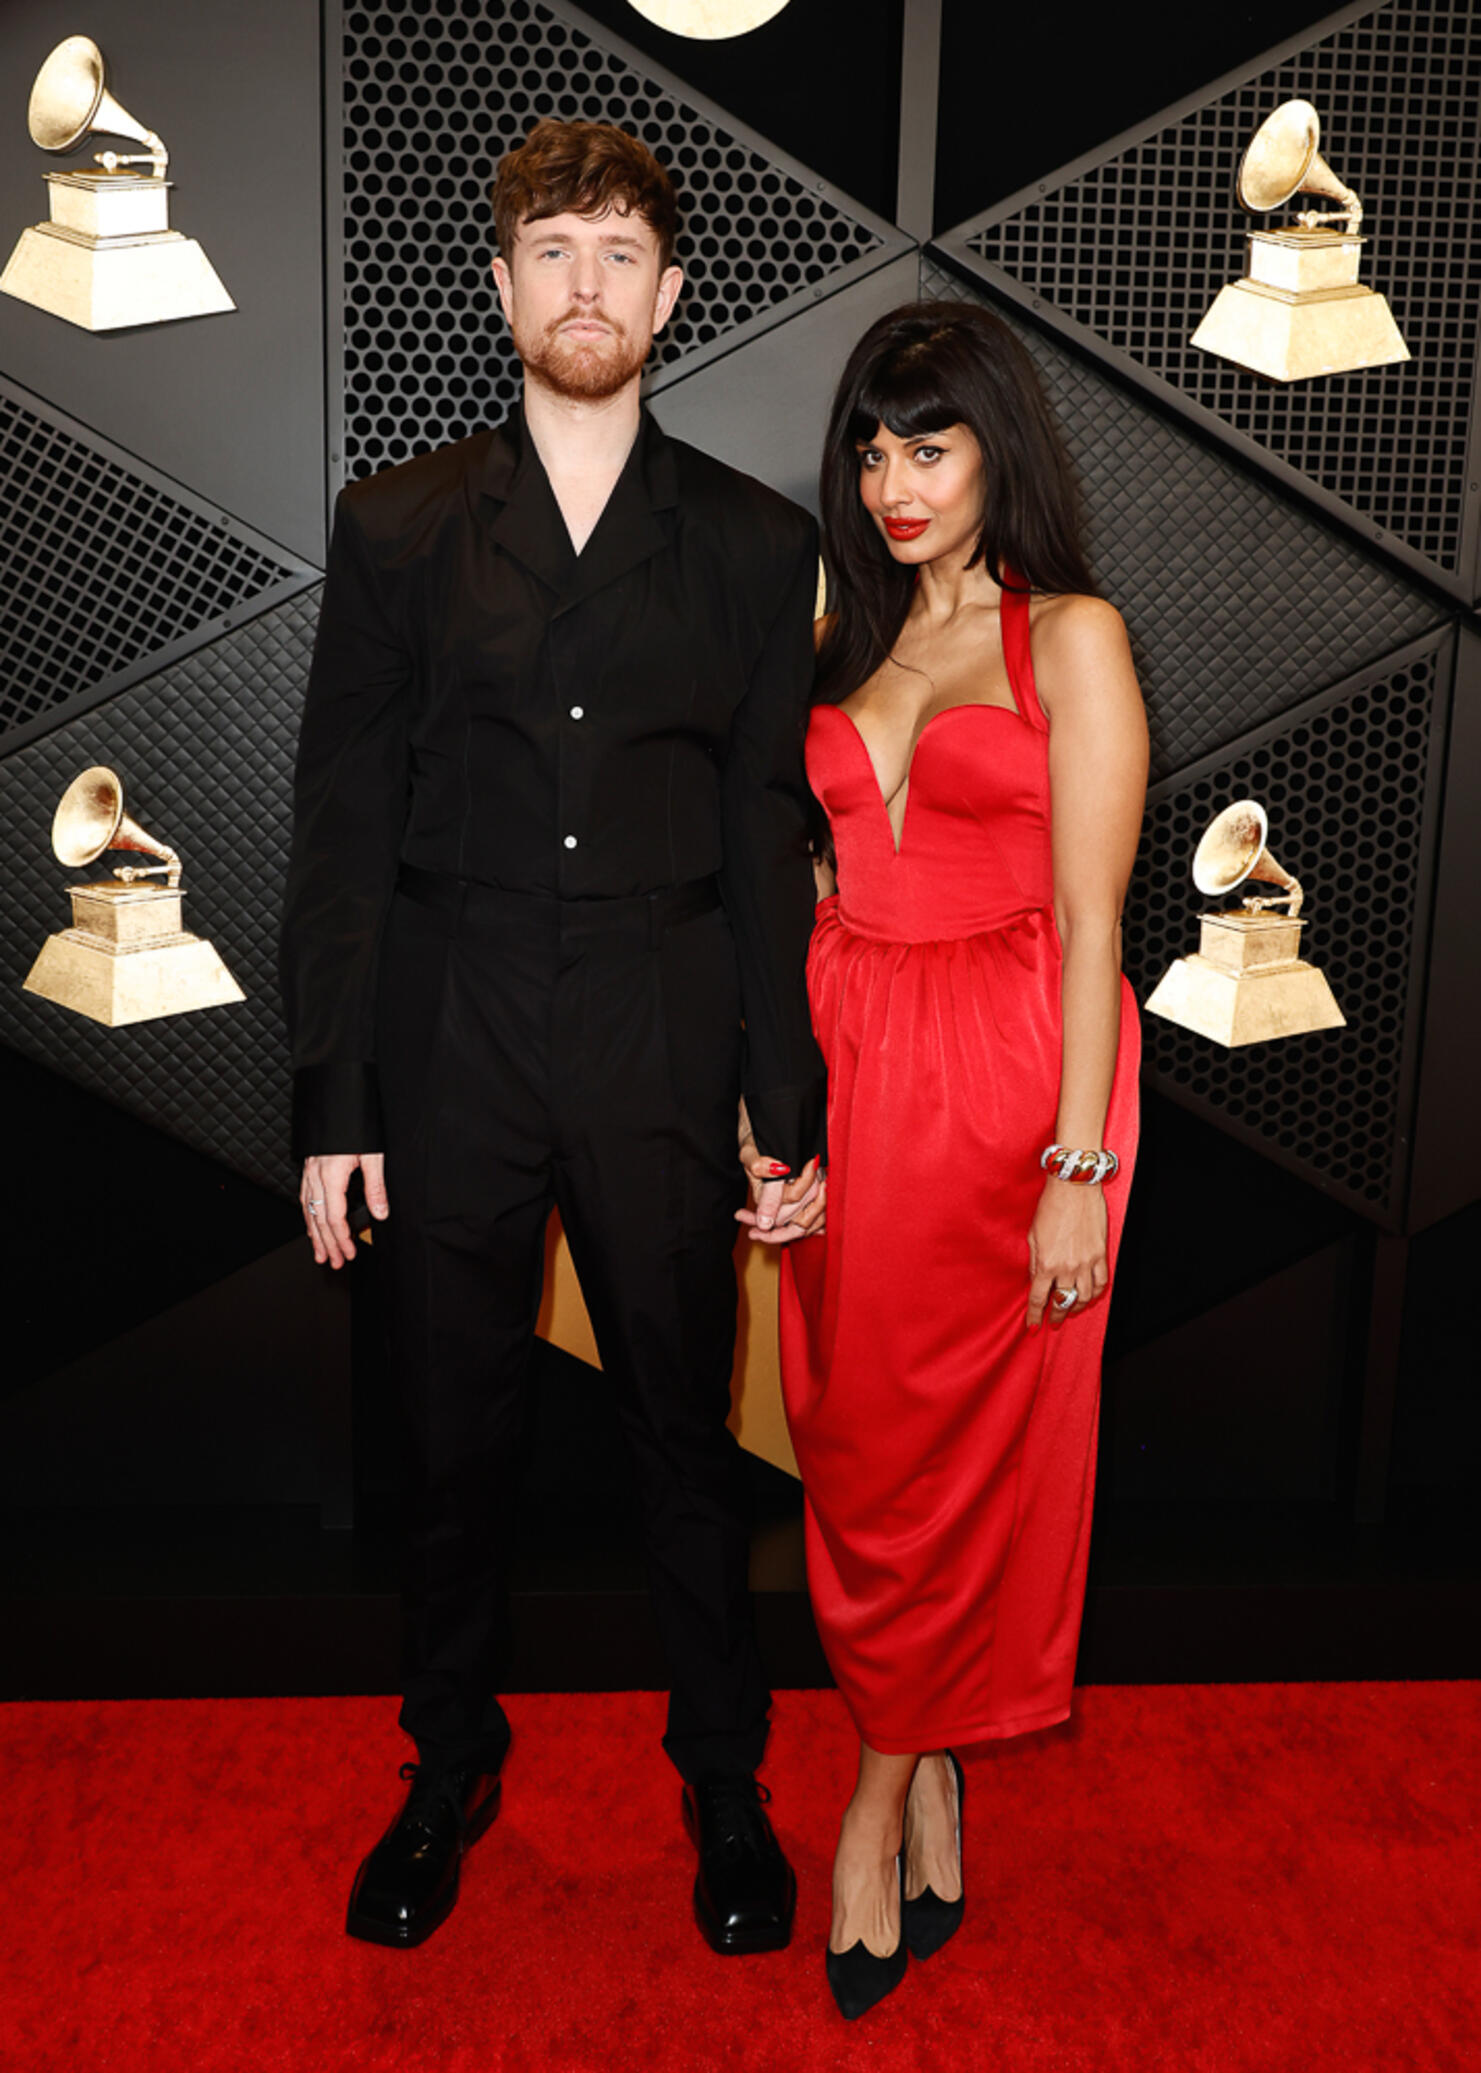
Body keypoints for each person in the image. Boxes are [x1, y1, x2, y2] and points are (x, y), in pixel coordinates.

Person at [280, 117, 826, 1956]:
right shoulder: (397, 529)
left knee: (685, 1431)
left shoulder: (758, 549)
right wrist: (334, 1095)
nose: (584, 284)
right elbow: (344, 827)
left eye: (619, 253)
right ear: (500, 281)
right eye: (552, 249)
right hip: (449, 1033)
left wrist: (783, 1096)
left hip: (667, 1032)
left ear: (670, 296)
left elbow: (765, 838)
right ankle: (445, 1767)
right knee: (452, 1437)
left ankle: (726, 1785)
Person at [743, 301, 1147, 2019]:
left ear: (997, 449)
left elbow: (1089, 917)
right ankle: (936, 1759)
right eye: (872, 448)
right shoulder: (832, 635)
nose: (894, 481)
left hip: (1012, 1097)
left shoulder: (1070, 637)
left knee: (977, 1466)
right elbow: (800, 894)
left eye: (931, 445)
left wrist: (1076, 1164)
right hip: (855, 1083)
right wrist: (776, 1113)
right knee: (860, 1451)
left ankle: (876, 1796)